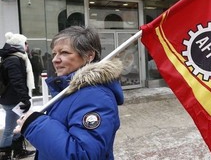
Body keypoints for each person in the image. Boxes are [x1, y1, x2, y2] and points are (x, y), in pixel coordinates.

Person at [14, 26, 124, 159]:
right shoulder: (70, 90)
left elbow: (83, 155)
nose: (55, 59)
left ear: (89, 55)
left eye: (64, 52)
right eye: (54, 53)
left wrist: (35, 124)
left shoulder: (95, 96)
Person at [0, 32, 36, 159]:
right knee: (10, 128)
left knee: (20, 124)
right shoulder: (14, 60)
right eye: (25, 43)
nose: (27, 46)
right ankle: (4, 153)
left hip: (14, 99)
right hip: (13, 100)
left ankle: (18, 150)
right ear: (19, 44)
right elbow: (17, 81)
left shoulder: (16, 58)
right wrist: (25, 99)